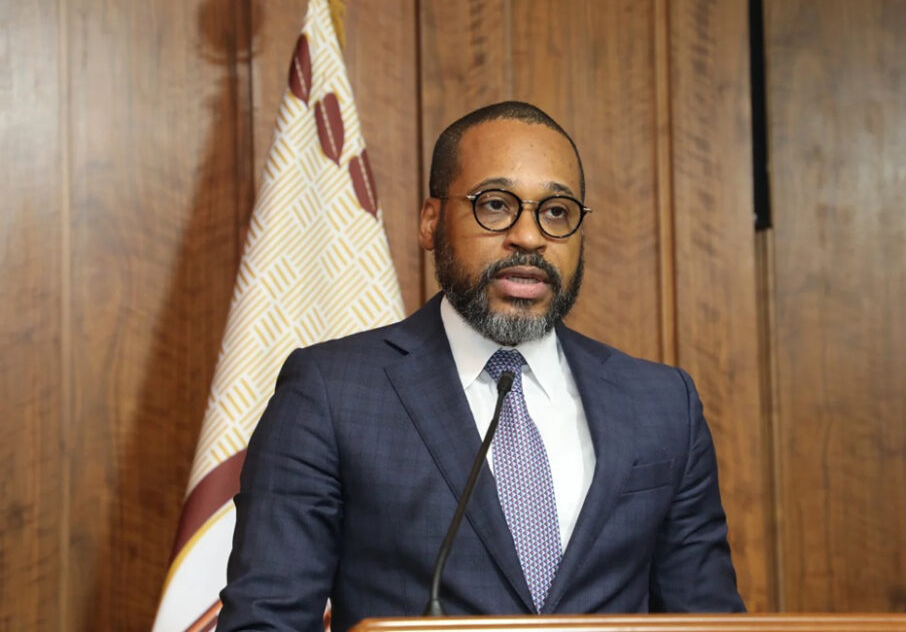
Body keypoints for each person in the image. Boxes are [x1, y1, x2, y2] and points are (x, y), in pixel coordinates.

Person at [218, 101, 744, 631]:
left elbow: (709, 621)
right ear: (431, 222)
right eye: (495, 205)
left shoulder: (662, 404)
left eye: (556, 212)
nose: (529, 237)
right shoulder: (333, 393)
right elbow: (267, 619)